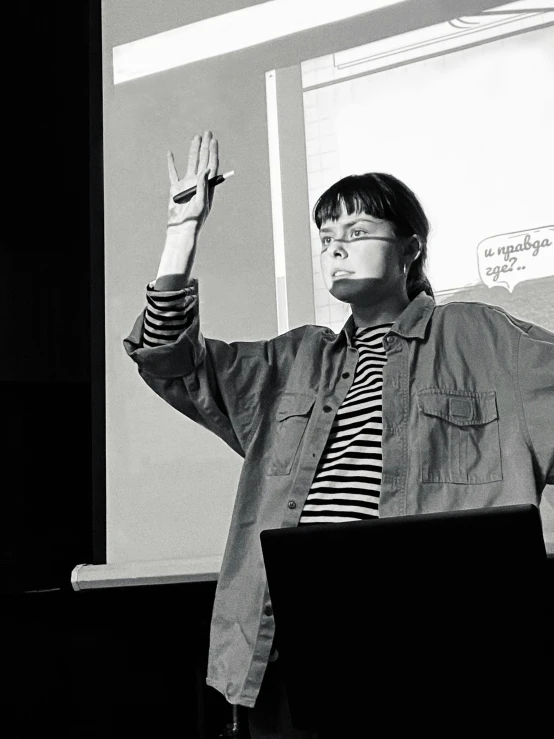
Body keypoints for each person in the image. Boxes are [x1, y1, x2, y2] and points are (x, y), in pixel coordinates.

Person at [124, 131, 553, 737]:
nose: (336, 250)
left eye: (356, 233)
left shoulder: (484, 338)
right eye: (326, 239)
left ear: (410, 248)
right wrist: (181, 234)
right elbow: (169, 359)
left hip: (438, 652)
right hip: (285, 646)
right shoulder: (294, 361)